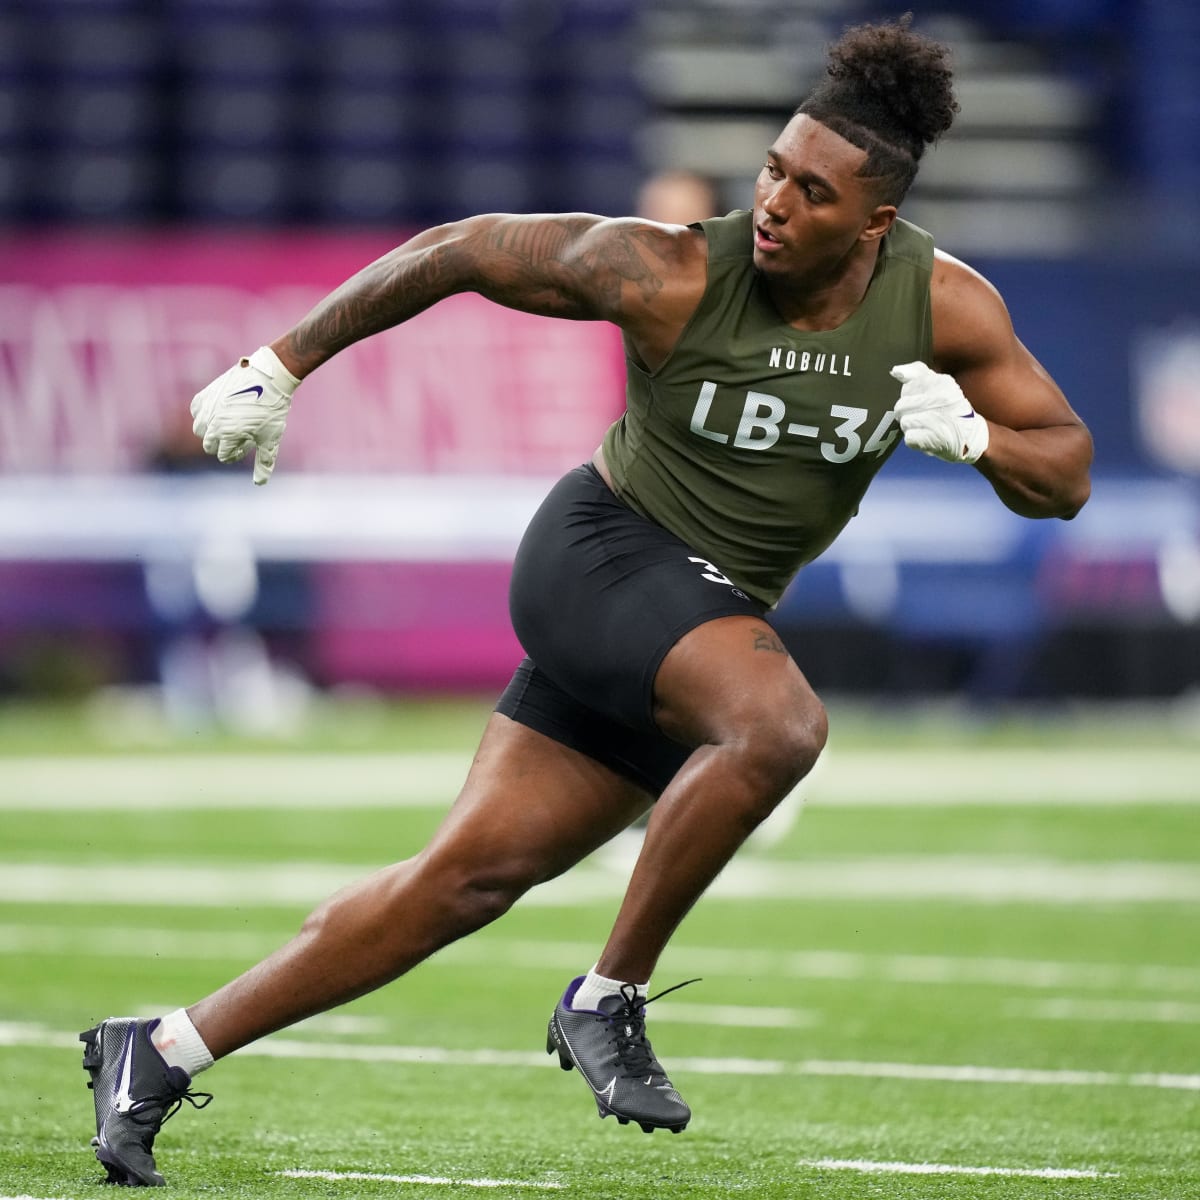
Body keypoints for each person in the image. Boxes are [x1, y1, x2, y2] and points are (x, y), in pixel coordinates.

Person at [79, 17, 1092, 1186]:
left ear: (876, 223)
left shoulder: (942, 305)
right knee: (779, 728)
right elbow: (464, 247)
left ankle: (159, 1050)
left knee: (460, 883)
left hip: (690, 625)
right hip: (602, 555)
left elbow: (1063, 469)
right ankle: (607, 998)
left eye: (811, 192)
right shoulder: (671, 269)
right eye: (772, 167)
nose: (772, 201)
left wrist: (970, 435)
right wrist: (282, 363)